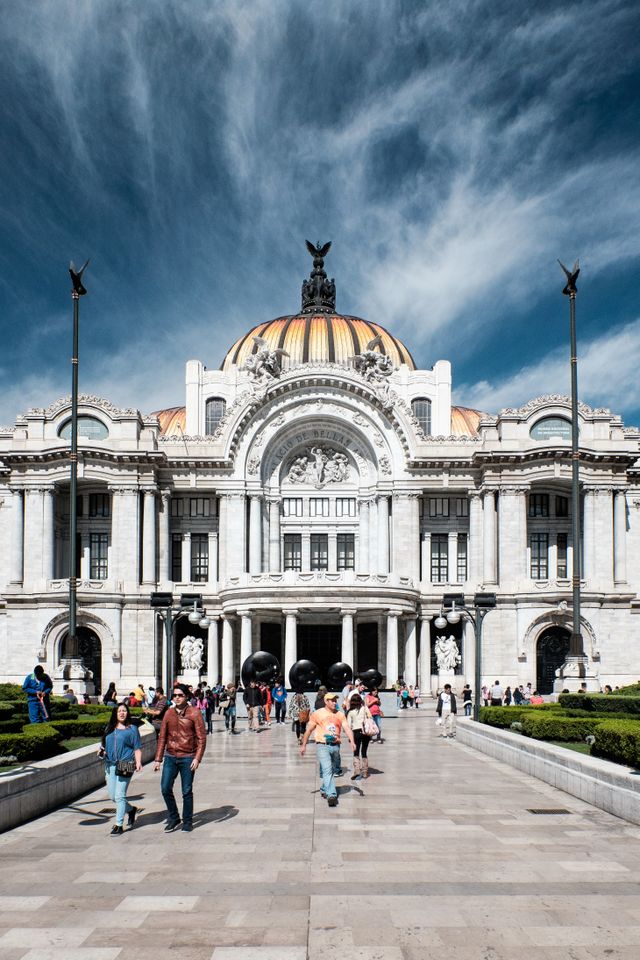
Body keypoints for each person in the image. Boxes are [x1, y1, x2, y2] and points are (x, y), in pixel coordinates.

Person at [154, 683, 207, 832]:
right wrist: (158, 759)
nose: (177, 698)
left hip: (188, 757)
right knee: (165, 788)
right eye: (175, 695)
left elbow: (201, 738)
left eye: (180, 695)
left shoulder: (194, 713)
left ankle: (188, 821)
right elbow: (162, 736)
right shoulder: (169, 713)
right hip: (170, 756)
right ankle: (174, 816)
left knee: (186, 791)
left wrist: (197, 758)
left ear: (186, 696)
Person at [300, 692, 356, 807]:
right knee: (327, 769)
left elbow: (347, 728)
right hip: (322, 745)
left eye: (336, 700)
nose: (335, 702)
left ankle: (324, 788)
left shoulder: (340, 714)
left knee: (334, 769)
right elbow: (309, 730)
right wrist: (304, 745)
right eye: (332, 700)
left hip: (335, 746)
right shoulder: (317, 714)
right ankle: (331, 795)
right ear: (326, 701)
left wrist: (352, 741)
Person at [100, 702, 142, 835]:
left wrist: (138, 762)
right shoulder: (109, 728)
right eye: (119, 711)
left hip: (126, 764)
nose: (122, 713)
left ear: (127, 713)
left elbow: (137, 748)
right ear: (115, 714)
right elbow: (104, 745)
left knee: (120, 795)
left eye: (124, 711)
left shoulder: (132, 729)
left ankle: (118, 824)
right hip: (110, 764)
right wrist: (101, 751)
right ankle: (130, 810)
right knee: (113, 796)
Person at [346, 693, 374, 779]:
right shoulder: (365, 708)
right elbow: (370, 717)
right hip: (365, 732)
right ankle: (365, 772)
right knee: (364, 751)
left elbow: (348, 726)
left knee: (356, 752)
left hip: (356, 732)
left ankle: (357, 771)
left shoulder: (350, 712)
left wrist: (349, 737)